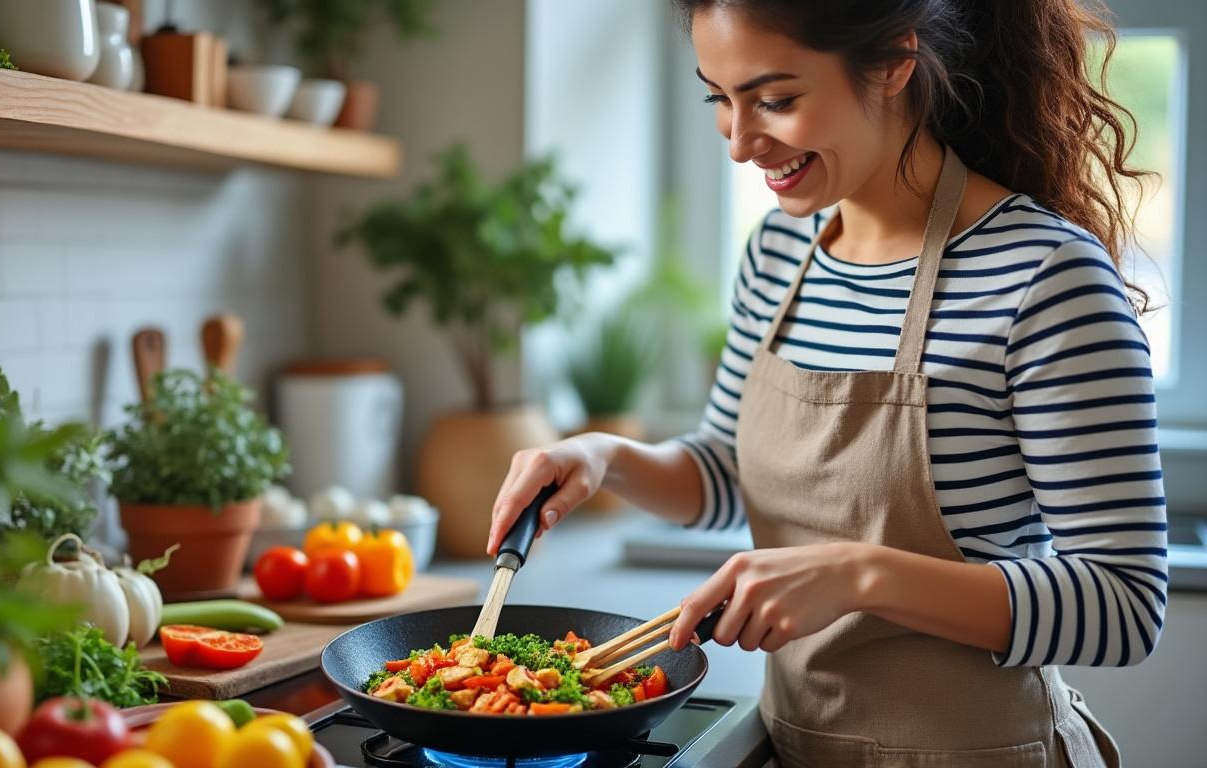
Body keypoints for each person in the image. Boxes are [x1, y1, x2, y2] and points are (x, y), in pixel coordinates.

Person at [486, 0, 1166, 764]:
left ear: (893, 65)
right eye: (719, 98)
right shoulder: (779, 251)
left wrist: (859, 574)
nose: (740, 143)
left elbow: (1122, 605)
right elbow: (729, 473)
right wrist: (605, 458)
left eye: (775, 100)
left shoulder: (1044, 275)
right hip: (798, 744)